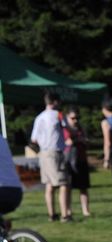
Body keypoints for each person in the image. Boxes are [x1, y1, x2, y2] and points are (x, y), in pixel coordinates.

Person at [30, 91, 70, 222]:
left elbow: (34, 140)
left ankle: (52, 215)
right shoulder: (57, 115)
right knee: (63, 183)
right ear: (56, 102)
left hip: (44, 153)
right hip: (55, 153)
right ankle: (65, 215)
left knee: (49, 185)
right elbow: (67, 129)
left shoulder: (39, 117)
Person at [63, 107, 92, 218]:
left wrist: (83, 140)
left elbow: (87, 142)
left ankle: (86, 210)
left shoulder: (80, 128)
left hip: (81, 159)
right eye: (73, 118)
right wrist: (79, 140)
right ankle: (68, 210)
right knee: (68, 187)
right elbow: (68, 142)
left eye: (77, 118)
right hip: (70, 161)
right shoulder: (65, 129)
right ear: (67, 117)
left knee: (83, 187)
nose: (75, 120)